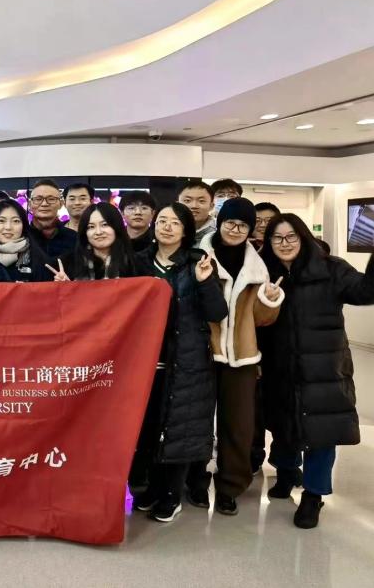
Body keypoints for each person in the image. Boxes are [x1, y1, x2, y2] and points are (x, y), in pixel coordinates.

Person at [258, 213, 374, 529]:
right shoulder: (263, 271)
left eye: (291, 236)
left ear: (304, 237)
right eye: (277, 238)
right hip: (279, 366)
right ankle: (286, 473)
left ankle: (314, 495)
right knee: (282, 424)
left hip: (323, 367)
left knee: (322, 432)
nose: (284, 243)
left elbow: (367, 291)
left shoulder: (330, 269)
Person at [128, 203, 227, 523]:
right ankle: (150, 489)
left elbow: (217, 313)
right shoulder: (138, 261)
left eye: (175, 222)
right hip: (144, 360)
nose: (167, 227)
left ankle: (172, 495)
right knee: (147, 429)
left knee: (179, 428)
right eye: (162, 221)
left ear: (186, 230)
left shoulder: (199, 262)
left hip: (186, 359)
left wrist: (204, 282)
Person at [185, 198, 284, 516]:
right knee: (197, 422)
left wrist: (269, 301)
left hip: (242, 357)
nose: (236, 229)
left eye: (243, 225)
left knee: (239, 426)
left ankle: (230, 487)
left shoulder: (257, 267)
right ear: (220, 222)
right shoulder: (198, 255)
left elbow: (261, 320)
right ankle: (196, 481)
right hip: (203, 352)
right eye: (230, 223)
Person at [53, 203, 138, 281]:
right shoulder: (69, 262)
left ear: (116, 227)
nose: (98, 232)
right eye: (91, 227)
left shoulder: (134, 261)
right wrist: (67, 287)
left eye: (104, 225)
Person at [0, 200, 54, 283]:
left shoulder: (37, 254)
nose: (8, 227)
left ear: (23, 225)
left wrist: (59, 282)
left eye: (16, 221)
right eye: (1, 221)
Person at [27, 179, 78, 258]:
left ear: (61, 204)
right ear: (30, 204)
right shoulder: (22, 236)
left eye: (51, 199)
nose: (44, 204)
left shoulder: (74, 238)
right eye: (38, 199)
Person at [178, 180, 215, 246]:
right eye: (187, 200)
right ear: (177, 204)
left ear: (211, 206)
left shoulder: (219, 233)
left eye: (201, 201)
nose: (194, 206)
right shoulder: (166, 230)